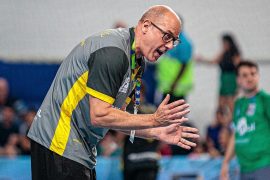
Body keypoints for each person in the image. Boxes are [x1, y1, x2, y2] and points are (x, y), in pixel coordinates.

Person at [27, 5, 199, 180]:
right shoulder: (113, 52)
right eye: (167, 36)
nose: (170, 45)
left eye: (174, 41)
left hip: (78, 148)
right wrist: (153, 119)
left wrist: (154, 131)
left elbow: (117, 117)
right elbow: (99, 115)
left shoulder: (137, 61)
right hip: (58, 141)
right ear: (146, 26)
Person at [220, 61, 270, 180]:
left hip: (264, 165)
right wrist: (225, 163)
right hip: (244, 167)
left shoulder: (265, 99)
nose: (250, 78)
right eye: (245, 75)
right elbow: (236, 134)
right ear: (238, 80)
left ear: (258, 76)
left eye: (253, 74)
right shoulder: (238, 104)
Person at [197, 33, 241, 113]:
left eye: (225, 43)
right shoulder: (223, 53)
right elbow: (213, 61)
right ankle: (220, 121)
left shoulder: (235, 54)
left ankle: (232, 120)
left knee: (230, 102)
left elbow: (239, 68)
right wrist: (202, 59)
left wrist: (239, 84)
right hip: (223, 79)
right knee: (220, 104)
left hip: (231, 79)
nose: (223, 45)